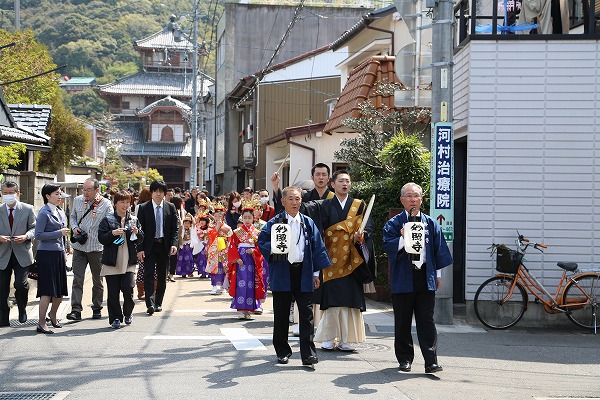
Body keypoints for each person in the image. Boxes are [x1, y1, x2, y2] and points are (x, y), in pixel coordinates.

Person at [382, 182, 453, 374]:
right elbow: (387, 246)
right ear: (402, 200)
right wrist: (402, 238)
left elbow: (438, 251)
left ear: (421, 199)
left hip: (424, 276)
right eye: (409, 196)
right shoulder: (394, 223)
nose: (413, 199)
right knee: (403, 322)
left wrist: (437, 275)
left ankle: (431, 361)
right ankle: (405, 360)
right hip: (403, 277)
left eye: (416, 196)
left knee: (426, 321)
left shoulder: (430, 223)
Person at [258, 186, 331, 365]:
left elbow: (317, 248)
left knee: (306, 315)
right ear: (283, 201)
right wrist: (274, 251)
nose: (294, 202)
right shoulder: (275, 223)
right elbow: (262, 241)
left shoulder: (307, 222)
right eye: (290, 199)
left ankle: (308, 354)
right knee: (282, 314)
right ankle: (282, 351)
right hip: (282, 270)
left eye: (297, 199)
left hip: (303, 271)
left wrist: (316, 273)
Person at [309, 170, 373, 352]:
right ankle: (329, 337)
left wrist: (363, 236)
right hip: (331, 259)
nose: (345, 184)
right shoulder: (325, 206)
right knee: (331, 299)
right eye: (341, 181)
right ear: (333, 184)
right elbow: (319, 231)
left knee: (349, 299)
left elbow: (368, 226)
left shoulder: (359, 205)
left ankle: (347, 338)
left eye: (347, 181)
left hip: (352, 258)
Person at [67, 178, 113, 321]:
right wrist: (74, 227)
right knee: (77, 278)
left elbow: (110, 222)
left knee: (97, 280)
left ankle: (97, 307)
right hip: (79, 247)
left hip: (97, 247)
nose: (85, 192)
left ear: (97, 190)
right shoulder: (77, 200)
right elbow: (73, 216)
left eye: (88, 190)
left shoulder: (106, 204)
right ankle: (76, 309)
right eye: (84, 189)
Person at [98, 190, 144, 329]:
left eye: (128, 202)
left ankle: (128, 313)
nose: (125, 205)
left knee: (129, 289)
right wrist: (112, 233)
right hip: (112, 260)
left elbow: (141, 239)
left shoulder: (134, 219)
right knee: (113, 293)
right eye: (122, 202)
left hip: (129, 260)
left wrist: (138, 232)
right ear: (115, 203)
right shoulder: (108, 220)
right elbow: (102, 238)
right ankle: (115, 318)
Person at [136, 180, 179, 315]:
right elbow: (139, 230)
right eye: (155, 191)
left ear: (164, 193)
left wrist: (174, 244)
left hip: (164, 246)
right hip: (149, 246)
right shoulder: (143, 208)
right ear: (152, 193)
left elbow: (175, 229)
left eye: (161, 191)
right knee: (148, 274)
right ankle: (149, 303)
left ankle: (158, 303)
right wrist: (140, 248)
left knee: (162, 276)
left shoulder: (170, 207)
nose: (158, 194)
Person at [34, 184, 70, 334]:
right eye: (57, 193)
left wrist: (65, 251)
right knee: (47, 290)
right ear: (48, 196)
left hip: (58, 253)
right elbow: (38, 235)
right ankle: (41, 323)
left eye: (60, 193)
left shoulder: (60, 211)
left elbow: (63, 235)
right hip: (46, 254)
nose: (60, 196)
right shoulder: (44, 212)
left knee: (60, 290)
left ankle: (53, 316)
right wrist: (58, 233)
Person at [0, 181, 36, 326]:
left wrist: (26, 236)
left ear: (18, 193)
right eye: (5, 193)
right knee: (2, 289)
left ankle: (22, 308)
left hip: (22, 253)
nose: (8, 196)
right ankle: (3, 318)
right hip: (3, 254)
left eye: (11, 193)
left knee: (21, 285)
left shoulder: (27, 209)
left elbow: (34, 228)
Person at [227, 202, 266, 319]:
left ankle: (249, 309)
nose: (247, 220)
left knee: (251, 284)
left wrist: (254, 252)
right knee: (241, 283)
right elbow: (232, 246)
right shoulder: (237, 232)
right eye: (245, 218)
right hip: (241, 259)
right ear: (242, 218)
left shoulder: (257, 233)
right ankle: (241, 309)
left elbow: (260, 247)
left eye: (249, 217)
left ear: (254, 218)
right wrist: (236, 258)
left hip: (252, 260)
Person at [205, 201, 232, 295]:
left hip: (224, 249)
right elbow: (211, 235)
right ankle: (214, 286)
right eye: (216, 216)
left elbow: (230, 237)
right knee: (214, 267)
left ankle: (223, 285)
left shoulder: (227, 227)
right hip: (214, 249)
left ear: (223, 217)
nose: (218, 218)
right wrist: (217, 227)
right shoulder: (211, 226)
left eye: (220, 216)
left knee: (224, 267)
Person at [134, 188, 153, 300]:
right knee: (142, 266)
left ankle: (147, 291)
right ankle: (141, 290)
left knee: (146, 267)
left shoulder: (142, 206)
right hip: (142, 238)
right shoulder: (140, 207)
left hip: (142, 238)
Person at [175, 213, 196, 278]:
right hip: (182, 246)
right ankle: (183, 273)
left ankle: (189, 272)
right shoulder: (181, 229)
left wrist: (191, 216)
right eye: (185, 223)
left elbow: (194, 223)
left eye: (188, 223)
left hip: (189, 246)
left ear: (190, 225)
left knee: (189, 259)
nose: (186, 225)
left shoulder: (191, 229)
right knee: (181, 259)